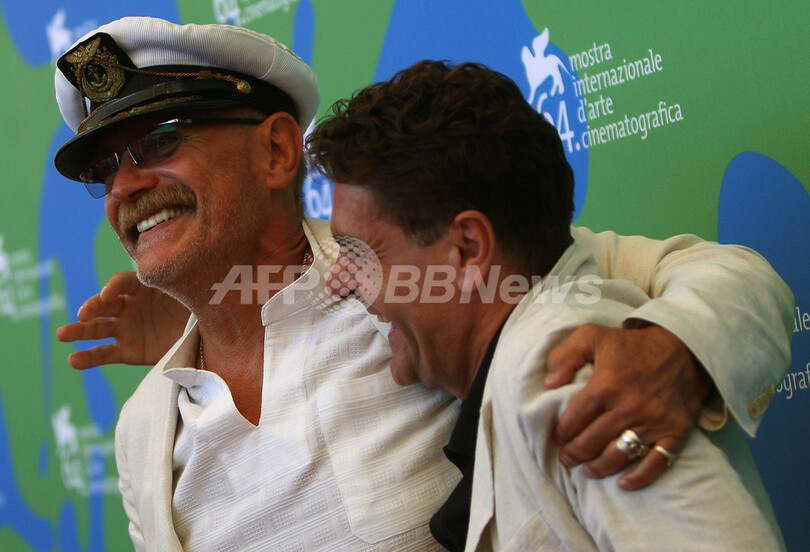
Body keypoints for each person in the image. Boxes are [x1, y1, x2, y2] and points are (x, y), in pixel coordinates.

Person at [52, 17, 792, 551]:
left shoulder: (414, 276)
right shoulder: (144, 430)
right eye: (103, 168)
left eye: (159, 140)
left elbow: (727, 277)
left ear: (277, 151)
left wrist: (674, 348)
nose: (126, 186)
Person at [306, 59, 786, 551]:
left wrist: (675, 346)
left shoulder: (563, 373)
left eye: (361, 252)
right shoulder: (534, 314)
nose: (345, 282)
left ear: (467, 249)